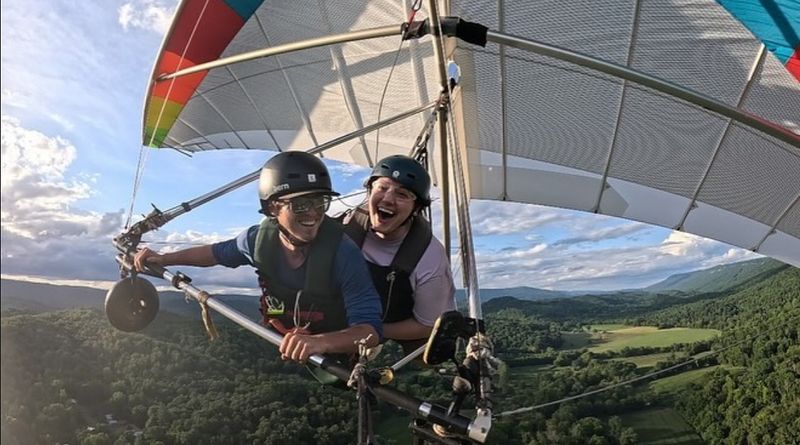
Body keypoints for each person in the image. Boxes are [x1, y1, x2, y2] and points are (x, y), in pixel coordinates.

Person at [134, 151, 382, 364]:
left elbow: (370, 332)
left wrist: (321, 342)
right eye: (300, 205)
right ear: (274, 207)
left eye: (320, 202)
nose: (314, 213)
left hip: (330, 348)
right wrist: (165, 259)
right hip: (280, 334)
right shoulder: (257, 241)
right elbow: (213, 253)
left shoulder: (343, 253)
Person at [340, 155, 456, 353]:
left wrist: (367, 331)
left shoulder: (429, 256)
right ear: (370, 192)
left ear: (416, 208)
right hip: (347, 311)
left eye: (402, 194)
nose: (388, 199)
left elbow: (428, 324)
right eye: (382, 188)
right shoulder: (347, 229)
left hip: (400, 321)